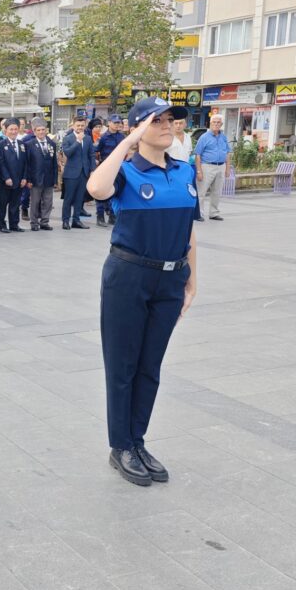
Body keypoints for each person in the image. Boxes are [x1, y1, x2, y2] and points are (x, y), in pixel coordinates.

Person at [85, 96, 199, 488]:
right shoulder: (127, 172)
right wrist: (127, 140)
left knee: (150, 366)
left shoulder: (184, 171)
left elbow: (190, 228)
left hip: (169, 279)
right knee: (123, 366)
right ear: (139, 128)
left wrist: (191, 279)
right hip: (129, 276)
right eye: (158, 121)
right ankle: (121, 446)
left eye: (171, 120)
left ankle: (138, 440)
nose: (168, 125)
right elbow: (96, 188)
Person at [193, 114, 229, 222]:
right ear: (210, 123)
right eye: (214, 122)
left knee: (217, 191)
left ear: (221, 124)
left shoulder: (223, 137)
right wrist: (199, 171)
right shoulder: (204, 137)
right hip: (207, 166)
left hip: (221, 166)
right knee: (201, 192)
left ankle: (214, 213)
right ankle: (199, 213)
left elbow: (227, 153)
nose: (216, 124)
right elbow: (197, 155)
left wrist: (227, 168)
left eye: (218, 122)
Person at [61, 116, 94, 230]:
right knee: (68, 198)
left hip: (84, 172)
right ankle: (65, 221)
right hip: (71, 173)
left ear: (85, 125)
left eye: (82, 125)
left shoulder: (89, 138)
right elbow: (68, 153)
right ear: (73, 126)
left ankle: (76, 220)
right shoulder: (68, 138)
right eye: (78, 125)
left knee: (80, 198)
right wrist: (78, 141)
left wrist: (92, 170)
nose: (80, 127)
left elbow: (91, 155)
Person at [24, 118, 58, 232]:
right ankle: (34, 222)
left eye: (43, 130)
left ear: (46, 130)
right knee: (35, 202)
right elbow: (27, 163)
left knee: (48, 202)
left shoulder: (52, 144)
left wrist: (55, 179)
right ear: (34, 132)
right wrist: (28, 179)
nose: (41, 132)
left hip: (48, 178)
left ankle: (45, 221)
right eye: (39, 130)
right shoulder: (29, 144)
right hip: (35, 178)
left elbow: (54, 163)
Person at [0, 118, 27, 233]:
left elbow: (25, 163)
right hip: (6, 181)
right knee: (2, 205)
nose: (13, 131)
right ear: (5, 130)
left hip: (19, 180)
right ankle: (2, 225)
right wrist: (6, 177)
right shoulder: (0, 144)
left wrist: (24, 177)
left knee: (15, 204)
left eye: (15, 129)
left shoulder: (22, 144)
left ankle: (14, 224)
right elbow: (1, 162)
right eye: (11, 129)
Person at [95, 115, 125, 227]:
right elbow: (96, 150)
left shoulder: (122, 136)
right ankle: (100, 216)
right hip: (105, 167)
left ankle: (112, 216)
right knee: (102, 192)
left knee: (114, 192)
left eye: (119, 123)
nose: (118, 125)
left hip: (118, 167)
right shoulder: (103, 137)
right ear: (109, 123)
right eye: (115, 123)